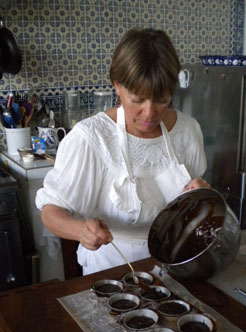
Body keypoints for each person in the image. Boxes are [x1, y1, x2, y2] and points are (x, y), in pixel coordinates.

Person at [35, 28, 210, 275]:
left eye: (161, 99)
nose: (149, 113)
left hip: (175, 265)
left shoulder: (188, 131)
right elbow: (50, 212)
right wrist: (81, 231)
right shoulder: (91, 138)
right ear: (117, 86)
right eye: (137, 100)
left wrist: (199, 195)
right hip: (112, 272)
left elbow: (192, 205)